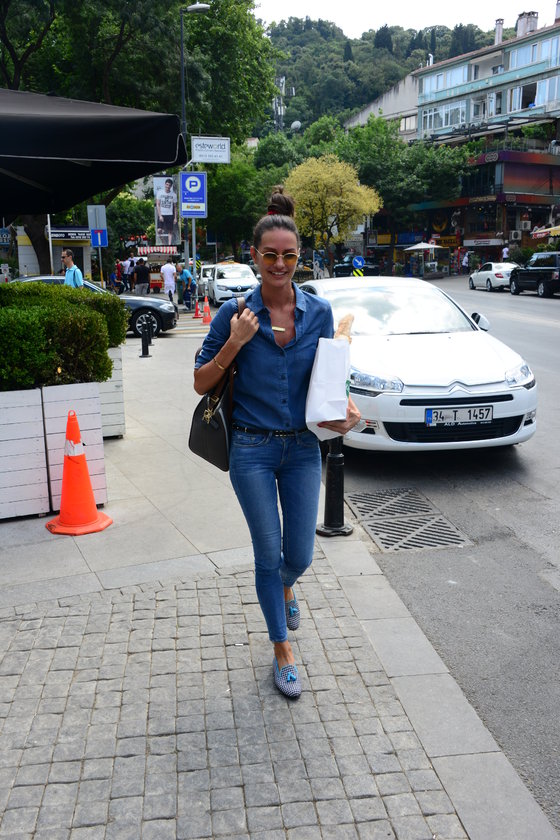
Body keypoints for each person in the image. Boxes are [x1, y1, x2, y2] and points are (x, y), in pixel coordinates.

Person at [193, 186, 361, 699]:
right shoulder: (234, 313)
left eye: (289, 255)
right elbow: (201, 382)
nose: (280, 264)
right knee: (268, 554)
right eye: (270, 255)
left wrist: (344, 410)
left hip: (303, 450)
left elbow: (329, 376)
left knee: (300, 555)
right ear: (255, 256)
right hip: (251, 450)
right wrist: (235, 342)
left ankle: (286, 586)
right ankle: (282, 648)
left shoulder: (320, 312)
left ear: (299, 256)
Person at [156, 178, 178, 246]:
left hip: (169, 214)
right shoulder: (160, 192)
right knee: (159, 230)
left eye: (169, 185)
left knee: (170, 230)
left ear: (171, 186)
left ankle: (169, 244)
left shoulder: (173, 195)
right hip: (162, 213)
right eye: (167, 184)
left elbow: (175, 207)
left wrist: (175, 218)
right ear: (165, 184)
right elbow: (158, 204)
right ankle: (163, 241)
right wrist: (160, 215)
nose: (168, 186)